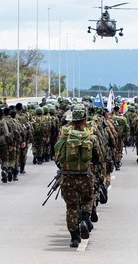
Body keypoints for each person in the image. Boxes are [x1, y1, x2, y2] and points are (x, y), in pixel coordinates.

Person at [55, 104, 101, 248]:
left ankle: (74, 238)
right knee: (87, 199)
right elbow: (98, 158)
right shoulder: (91, 136)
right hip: (86, 176)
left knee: (71, 206)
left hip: (68, 177)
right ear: (85, 121)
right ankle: (85, 219)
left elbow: (57, 157)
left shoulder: (64, 136)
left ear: (72, 121)